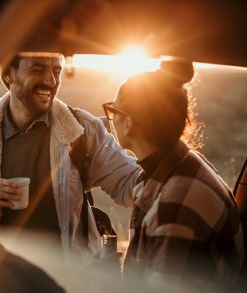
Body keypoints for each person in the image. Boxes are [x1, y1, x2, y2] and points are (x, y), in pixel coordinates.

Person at [0, 52, 139, 260]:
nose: (50, 80)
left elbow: (130, 183)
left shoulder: (83, 129)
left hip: (64, 282)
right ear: (8, 76)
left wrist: (163, 159)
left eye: (56, 71)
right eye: (37, 69)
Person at [103, 62, 245, 291]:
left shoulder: (174, 208)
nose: (111, 119)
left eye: (113, 111)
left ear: (128, 123)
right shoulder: (186, 164)